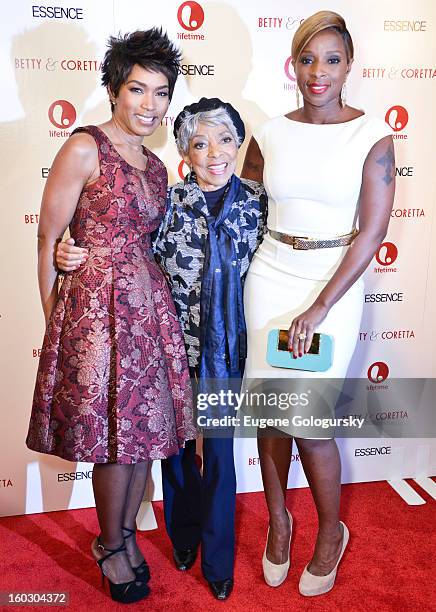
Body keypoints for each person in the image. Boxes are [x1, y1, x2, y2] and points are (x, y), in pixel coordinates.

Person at [56, 97, 267, 600]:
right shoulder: (169, 203)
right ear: (184, 154)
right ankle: (185, 536)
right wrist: (70, 247)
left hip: (230, 351)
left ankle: (218, 560)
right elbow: (121, 244)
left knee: (218, 456)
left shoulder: (259, 202)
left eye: (224, 140)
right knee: (173, 453)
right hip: (170, 345)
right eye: (200, 143)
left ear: (238, 145)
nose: (214, 153)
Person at [26, 29, 197, 604]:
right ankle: (111, 543)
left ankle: (121, 536)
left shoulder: (156, 167)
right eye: (137, 89)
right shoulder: (83, 148)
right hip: (94, 318)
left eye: (160, 92)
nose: (149, 105)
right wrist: (60, 330)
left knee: (141, 436)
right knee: (111, 443)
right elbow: (50, 241)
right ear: (113, 88)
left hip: (147, 310)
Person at [241, 11, 395, 597]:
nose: (318, 73)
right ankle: (279, 523)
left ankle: (331, 532)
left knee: (309, 424)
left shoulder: (372, 135)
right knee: (271, 416)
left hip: (333, 284)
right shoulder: (272, 132)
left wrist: (319, 308)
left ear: (349, 64)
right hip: (271, 276)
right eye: (307, 60)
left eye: (331, 60)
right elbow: (240, 200)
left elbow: (372, 234)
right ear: (294, 64)